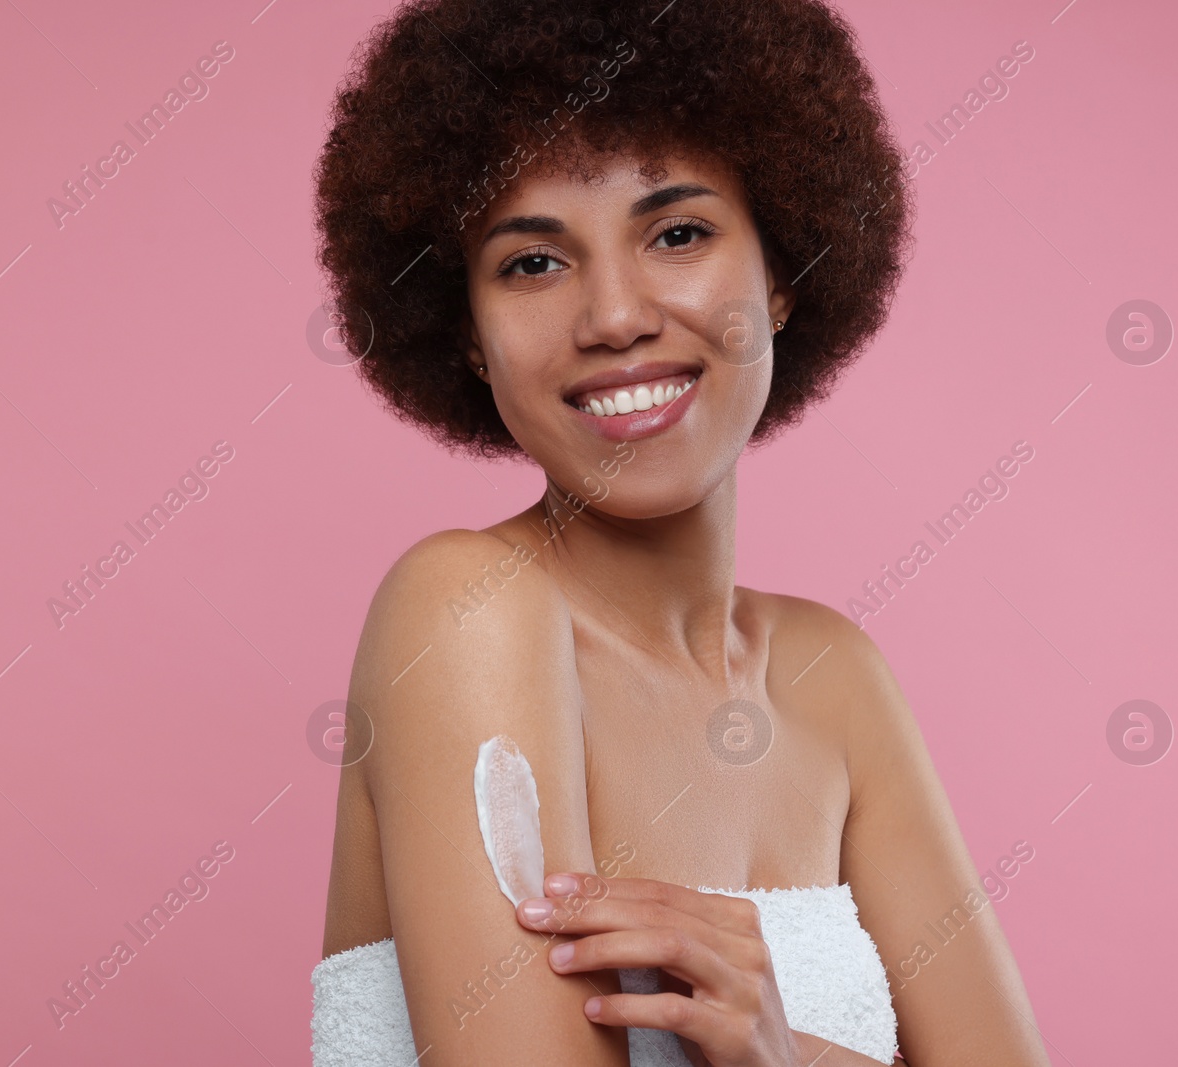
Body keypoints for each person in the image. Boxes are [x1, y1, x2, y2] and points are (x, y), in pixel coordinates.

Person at [308, 0, 1053, 1063]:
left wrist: (777, 1052)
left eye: (678, 232)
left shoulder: (831, 678)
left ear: (782, 277)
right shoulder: (468, 610)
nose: (613, 315)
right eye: (531, 262)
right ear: (467, 336)